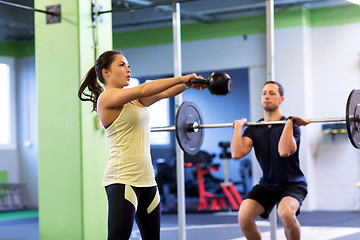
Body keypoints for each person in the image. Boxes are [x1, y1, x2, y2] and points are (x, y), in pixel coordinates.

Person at [78, 50, 205, 240]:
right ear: (106, 72)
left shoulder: (135, 101)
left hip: (147, 180)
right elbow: (145, 89)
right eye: (122, 65)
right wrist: (181, 78)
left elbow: (163, 93)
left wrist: (187, 85)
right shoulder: (106, 98)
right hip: (123, 179)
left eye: (128, 65)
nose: (128, 69)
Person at [230, 81, 309, 240]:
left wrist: (289, 122)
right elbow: (237, 153)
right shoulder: (253, 129)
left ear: (281, 99)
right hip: (267, 184)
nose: (267, 96)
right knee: (244, 215)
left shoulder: (292, 127)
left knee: (285, 213)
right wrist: (238, 127)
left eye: (272, 93)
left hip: (293, 184)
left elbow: (284, 151)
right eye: (264, 93)